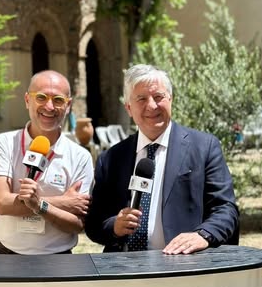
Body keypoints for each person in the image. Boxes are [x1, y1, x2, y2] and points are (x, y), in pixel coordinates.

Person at [85, 64, 239, 255]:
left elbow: (225, 209)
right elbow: (94, 223)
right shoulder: (111, 159)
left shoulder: (204, 147)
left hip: (182, 262)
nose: (151, 106)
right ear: (129, 108)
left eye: (158, 97)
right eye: (141, 99)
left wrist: (202, 235)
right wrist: (114, 226)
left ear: (170, 99)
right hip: (126, 266)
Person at [0, 69, 93, 254]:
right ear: (27, 100)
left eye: (58, 100)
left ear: (68, 105)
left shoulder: (80, 156)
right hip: (5, 253)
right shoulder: (4, 143)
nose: (49, 107)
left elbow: (77, 225)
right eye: (41, 97)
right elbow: (3, 203)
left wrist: (39, 205)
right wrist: (62, 202)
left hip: (57, 257)